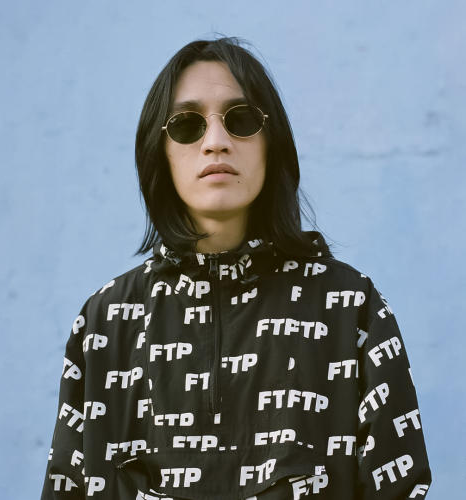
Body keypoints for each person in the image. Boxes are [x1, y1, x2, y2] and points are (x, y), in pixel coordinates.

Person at [41, 37, 431, 500]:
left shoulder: (350, 307)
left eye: (241, 119)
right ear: (158, 151)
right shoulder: (107, 321)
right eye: (186, 125)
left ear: (272, 142)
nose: (216, 142)